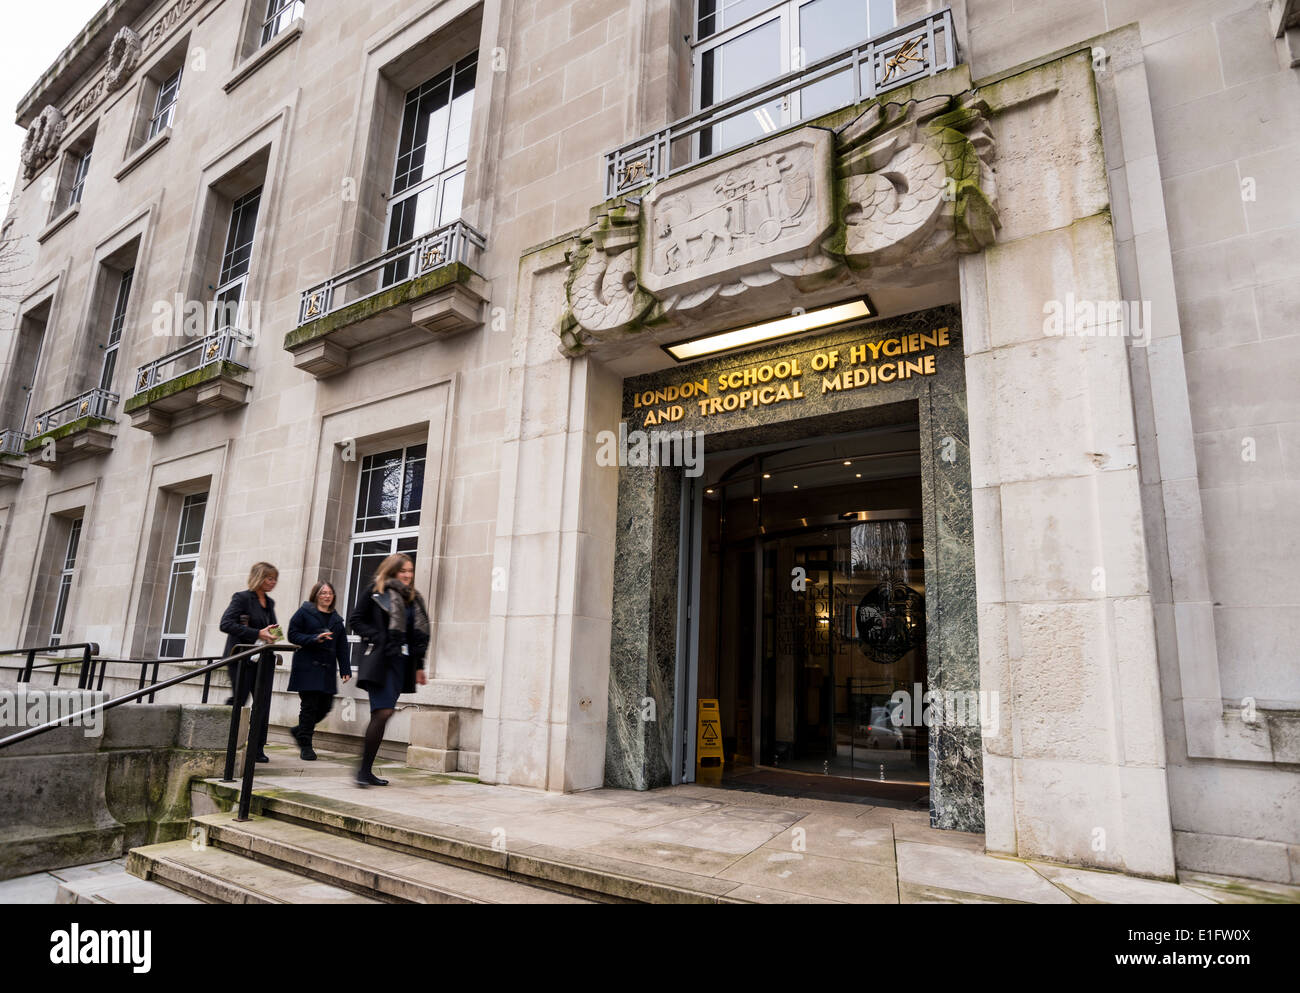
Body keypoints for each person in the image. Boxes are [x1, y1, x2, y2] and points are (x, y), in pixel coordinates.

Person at [346, 553, 429, 787]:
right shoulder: (376, 590)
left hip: (401, 662)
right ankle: (362, 771)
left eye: (410, 570)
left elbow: (418, 633)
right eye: (403, 570)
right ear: (392, 570)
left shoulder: (413, 598)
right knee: (383, 712)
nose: (408, 575)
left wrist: (420, 666)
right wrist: (378, 637)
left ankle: (365, 771)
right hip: (381, 660)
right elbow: (355, 619)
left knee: (382, 713)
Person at [219, 562, 280, 763]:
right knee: (240, 700)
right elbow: (226, 624)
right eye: (269, 578)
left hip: (264, 660)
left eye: (275, 579)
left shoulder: (269, 603)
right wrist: (257, 633)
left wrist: (275, 636)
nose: (273, 582)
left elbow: (271, 628)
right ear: (259, 578)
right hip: (242, 660)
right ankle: (227, 740)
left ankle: (257, 748)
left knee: (262, 704)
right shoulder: (242, 598)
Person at [286, 582, 352, 761]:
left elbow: (342, 647)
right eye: (323, 593)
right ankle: (306, 744)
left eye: (330, 593)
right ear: (316, 595)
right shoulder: (304, 612)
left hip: (327, 670)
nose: (327, 596)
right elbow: (292, 635)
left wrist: (345, 668)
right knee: (309, 707)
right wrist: (314, 638)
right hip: (307, 667)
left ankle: (300, 730)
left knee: (325, 707)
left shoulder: (337, 619)